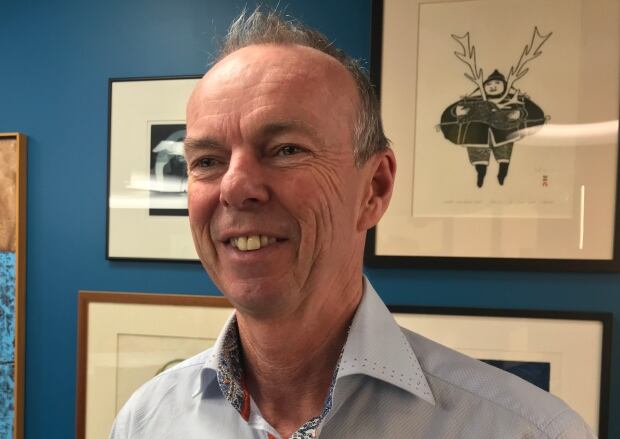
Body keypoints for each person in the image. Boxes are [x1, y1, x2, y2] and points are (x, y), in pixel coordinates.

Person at [110, 8, 595, 439]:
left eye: (286, 150)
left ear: (375, 189)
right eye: (207, 160)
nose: (235, 188)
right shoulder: (146, 421)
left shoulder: (525, 430)